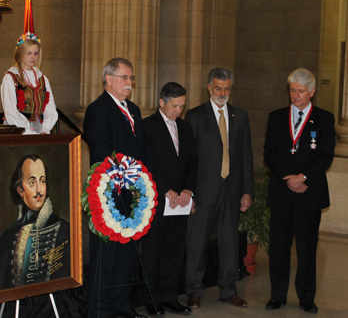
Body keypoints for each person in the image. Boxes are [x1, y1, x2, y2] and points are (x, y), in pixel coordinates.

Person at [263, 68, 335, 314]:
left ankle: (306, 297)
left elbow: (325, 156)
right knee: (279, 248)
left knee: (306, 248)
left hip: (309, 192)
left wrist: (302, 177)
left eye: (301, 91)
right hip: (283, 191)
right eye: (292, 90)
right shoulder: (276, 117)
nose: (296, 96)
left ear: (312, 92)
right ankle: (277, 295)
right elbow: (270, 153)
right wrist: (289, 179)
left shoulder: (324, 119)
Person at [83, 57, 150, 318]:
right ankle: (100, 309)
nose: (129, 83)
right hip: (109, 193)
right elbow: (101, 150)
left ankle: (121, 304)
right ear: (108, 79)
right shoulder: (98, 109)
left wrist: (144, 180)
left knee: (127, 253)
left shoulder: (133, 109)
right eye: (124, 77)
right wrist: (125, 175)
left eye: (131, 78)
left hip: (133, 193)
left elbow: (142, 147)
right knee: (106, 254)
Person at [184, 68, 254, 309]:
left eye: (226, 89)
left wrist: (247, 190)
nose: (222, 93)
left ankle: (228, 289)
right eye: (218, 88)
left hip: (232, 190)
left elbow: (246, 156)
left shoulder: (240, 116)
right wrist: (189, 192)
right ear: (208, 88)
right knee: (197, 242)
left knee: (229, 242)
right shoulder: (194, 116)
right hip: (203, 190)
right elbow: (189, 159)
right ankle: (194, 290)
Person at [141, 82, 197, 316]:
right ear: (161, 102)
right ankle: (152, 299)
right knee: (153, 252)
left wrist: (188, 190)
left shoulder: (185, 128)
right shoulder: (147, 127)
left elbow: (193, 163)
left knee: (174, 251)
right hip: (158, 199)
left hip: (180, 203)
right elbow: (145, 164)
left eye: (182, 107)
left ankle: (169, 297)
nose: (178, 111)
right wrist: (165, 189)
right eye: (174, 106)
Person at [0, 154, 70, 290]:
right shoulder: (6, 239)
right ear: (20, 189)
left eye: (42, 181)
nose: (38, 190)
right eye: (32, 182)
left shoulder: (66, 230)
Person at [1, 33, 58, 134]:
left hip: (40, 130)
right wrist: (27, 131)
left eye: (36, 53)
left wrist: (45, 129)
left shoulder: (42, 78)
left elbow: (50, 109)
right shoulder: (10, 78)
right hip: (18, 131)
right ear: (20, 53)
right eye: (29, 53)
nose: (33, 57)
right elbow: (10, 112)